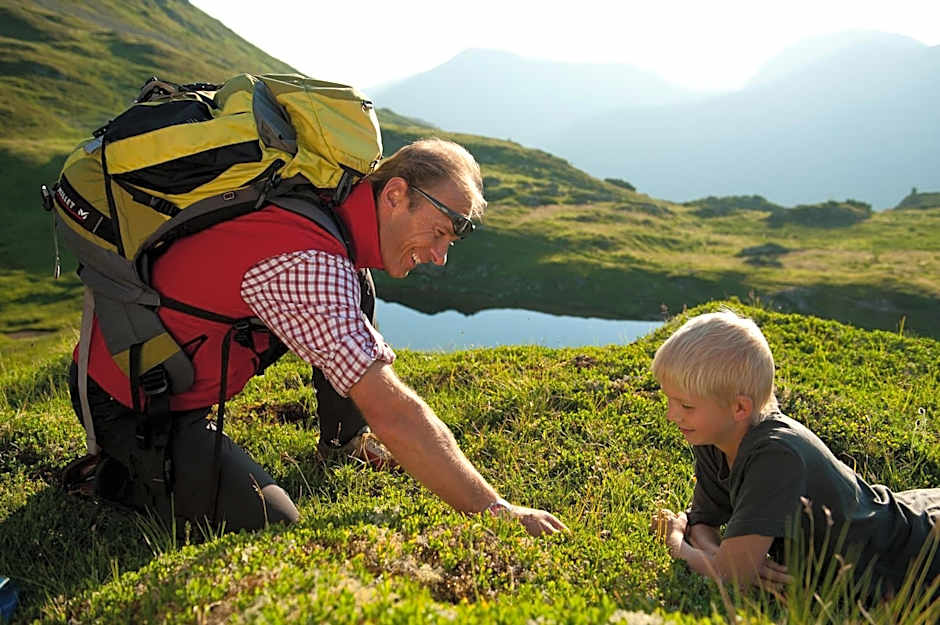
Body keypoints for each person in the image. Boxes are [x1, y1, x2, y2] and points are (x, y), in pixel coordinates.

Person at [64, 137, 568, 537]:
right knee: (271, 520)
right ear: (395, 195)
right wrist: (493, 507)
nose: (440, 255)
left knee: (357, 289)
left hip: (174, 374)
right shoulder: (309, 263)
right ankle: (113, 474)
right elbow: (392, 409)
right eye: (438, 232)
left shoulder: (333, 207)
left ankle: (343, 442)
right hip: (133, 401)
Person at [649, 310, 939, 596]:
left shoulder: (775, 457)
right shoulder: (714, 438)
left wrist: (676, 542)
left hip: (913, 554)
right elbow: (702, 522)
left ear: (740, 408)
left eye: (686, 406)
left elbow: (729, 575)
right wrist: (721, 556)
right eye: (669, 400)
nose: (671, 415)